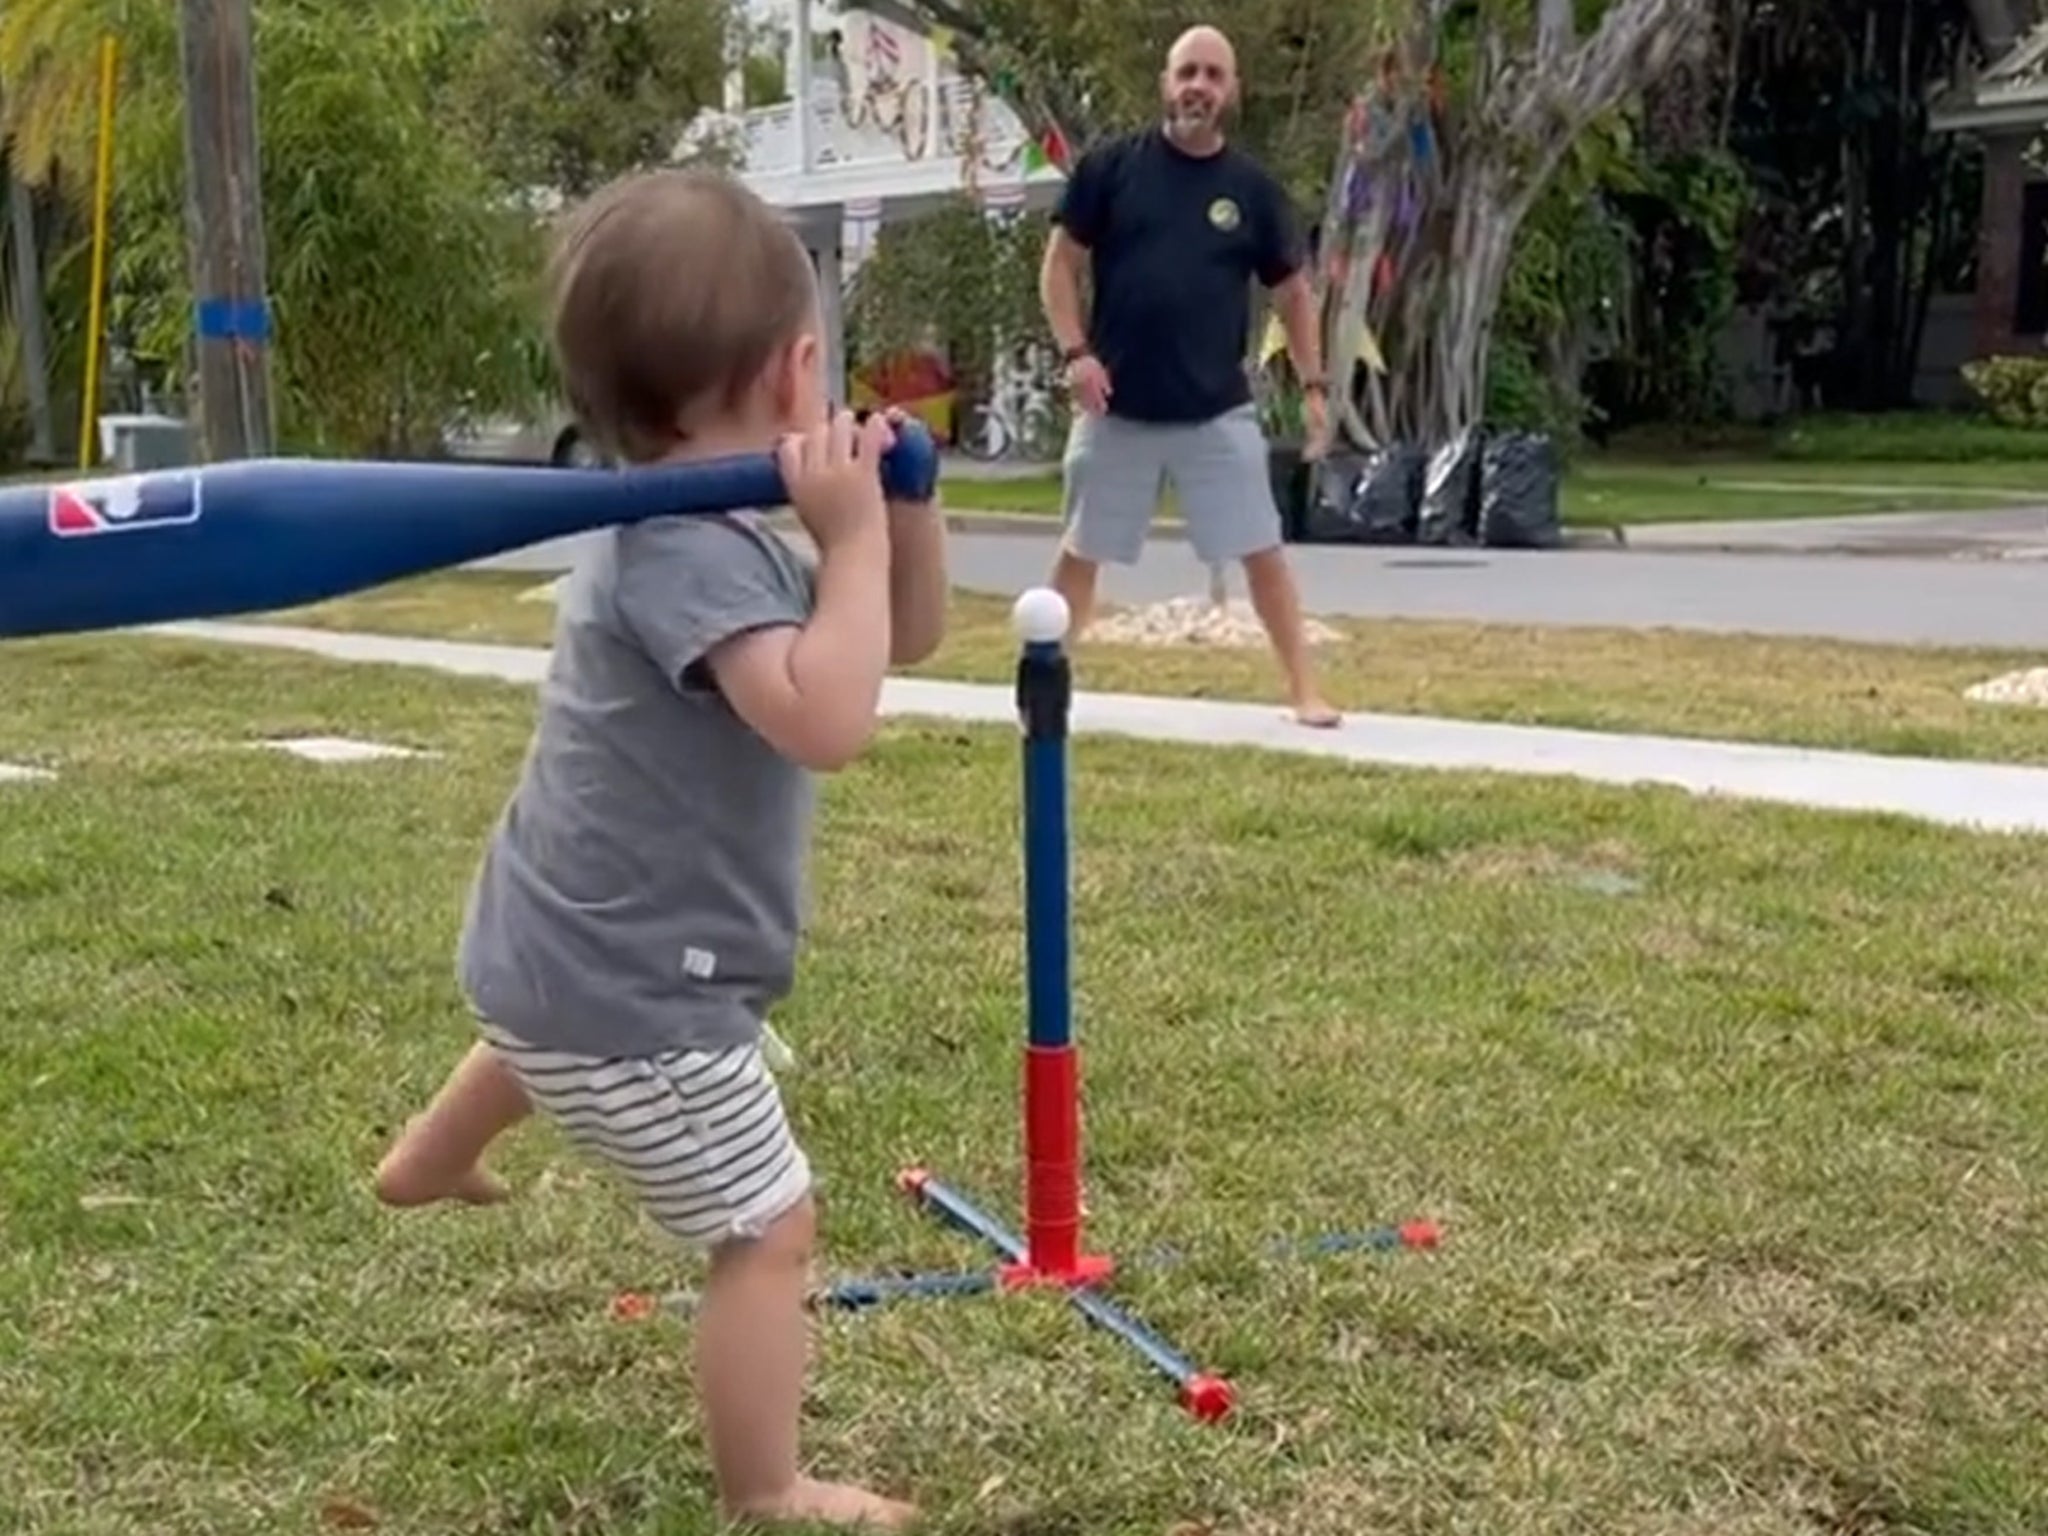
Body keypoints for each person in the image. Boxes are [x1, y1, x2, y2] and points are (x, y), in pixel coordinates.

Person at [369, 167, 945, 1532]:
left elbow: (899, 639)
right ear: (798, 367)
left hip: (556, 946)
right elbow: (829, 715)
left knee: (547, 1032)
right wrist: (850, 542)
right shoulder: (683, 552)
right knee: (769, 1230)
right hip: (640, 989)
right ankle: (769, 1485)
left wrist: (899, 522)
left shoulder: (693, 520)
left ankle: (428, 1163)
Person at [1039, 23, 1340, 728]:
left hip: (1215, 412)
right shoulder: (1111, 169)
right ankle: (1042, 688)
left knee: (1264, 553)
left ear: (1231, 91)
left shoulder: (1252, 191)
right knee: (1080, 555)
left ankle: (1304, 689)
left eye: (1212, 74)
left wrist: (1315, 388)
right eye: (1187, 72)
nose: (1197, 86)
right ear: (1166, 83)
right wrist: (1075, 354)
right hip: (1117, 408)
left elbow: (1294, 292)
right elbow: (1059, 265)